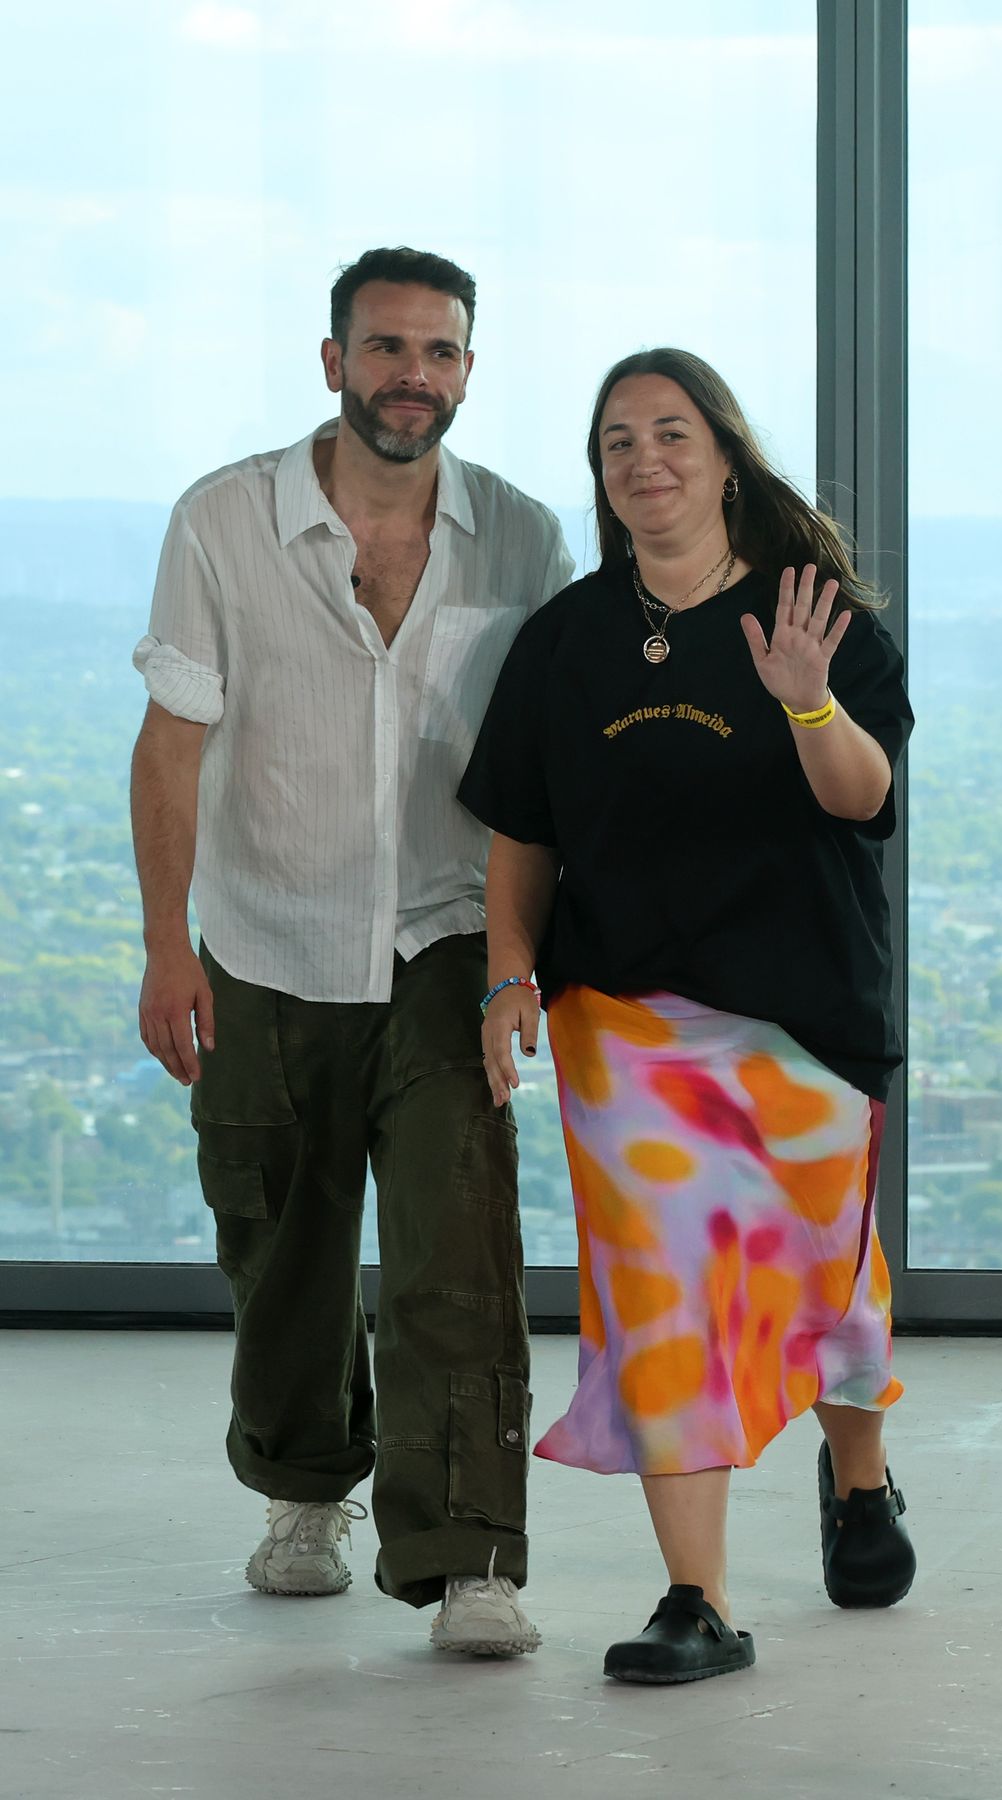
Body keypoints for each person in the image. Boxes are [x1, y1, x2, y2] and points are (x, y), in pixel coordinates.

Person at [130, 246, 574, 1658]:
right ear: (333, 361)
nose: (412, 378)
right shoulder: (222, 521)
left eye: (440, 354)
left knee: (461, 1255)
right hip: (265, 948)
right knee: (284, 1245)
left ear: (468, 372)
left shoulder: (521, 536)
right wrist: (166, 950)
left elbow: (544, 778)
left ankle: (469, 1557)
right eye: (386, 349)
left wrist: (520, 966)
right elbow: (172, 746)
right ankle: (304, 1494)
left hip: (446, 942)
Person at [458, 347, 917, 1685]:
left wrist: (808, 702)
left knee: (820, 1277)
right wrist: (506, 981)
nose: (645, 460)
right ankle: (695, 1599)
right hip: (625, 1023)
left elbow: (861, 797)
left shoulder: (813, 616)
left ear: (723, 455)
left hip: (802, 1013)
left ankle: (860, 1476)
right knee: (662, 1295)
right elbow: (521, 840)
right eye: (617, 442)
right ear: (600, 476)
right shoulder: (566, 642)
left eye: (672, 433)